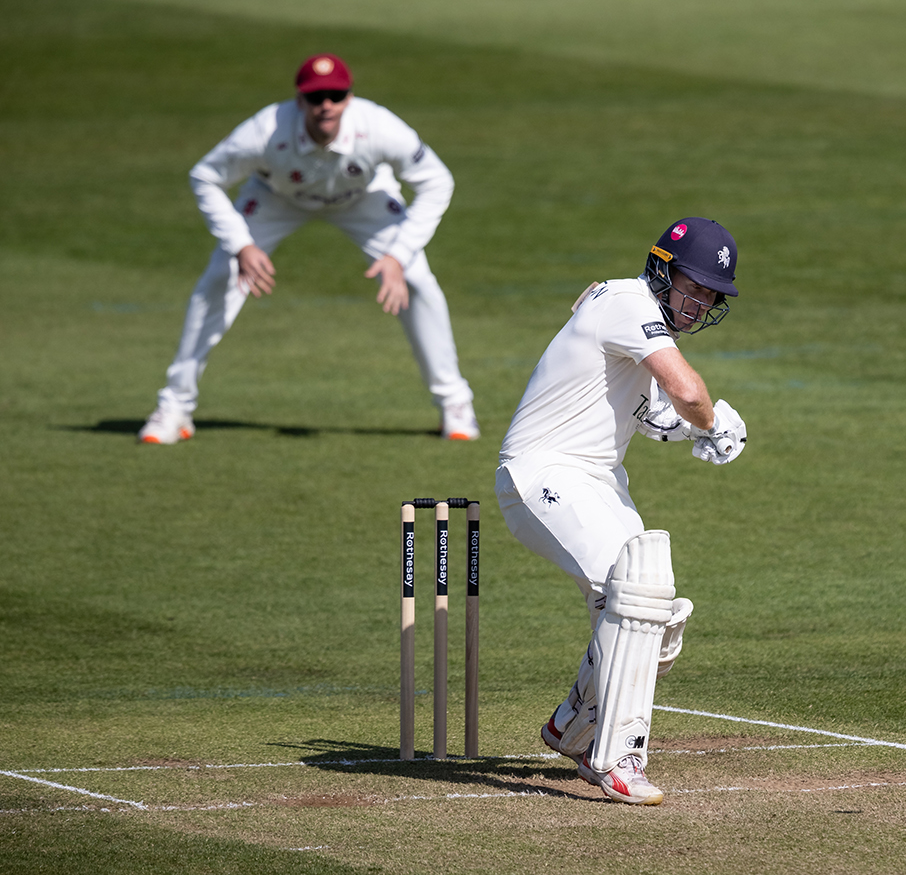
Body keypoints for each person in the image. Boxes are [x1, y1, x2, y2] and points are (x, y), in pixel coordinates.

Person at [495, 217, 748, 805]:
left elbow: (660, 418)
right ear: (662, 268)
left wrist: (700, 430)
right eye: (695, 285)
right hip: (543, 473)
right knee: (636, 593)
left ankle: (573, 725)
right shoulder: (631, 303)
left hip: (600, 481)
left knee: (653, 606)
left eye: (712, 295)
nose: (701, 302)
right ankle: (616, 759)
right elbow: (686, 394)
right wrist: (711, 422)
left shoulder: (635, 316)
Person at [138, 54, 479, 444]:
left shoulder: (380, 127)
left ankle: (455, 403)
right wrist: (241, 245)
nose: (326, 105)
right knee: (221, 276)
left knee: (416, 281)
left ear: (349, 98)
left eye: (336, 95)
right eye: (316, 97)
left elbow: (437, 180)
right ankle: (175, 407)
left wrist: (397, 256)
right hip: (276, 199)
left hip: (363, 198)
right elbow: (205, 176)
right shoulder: (263, 132)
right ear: (299, 101)